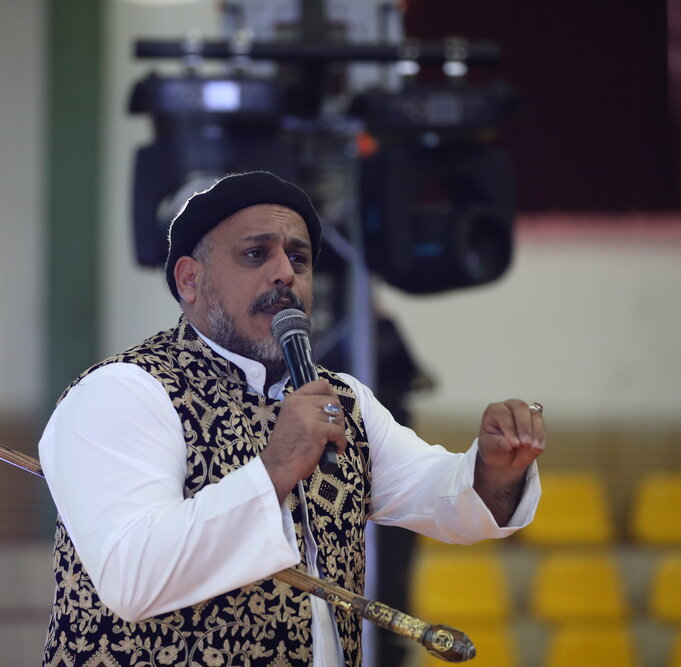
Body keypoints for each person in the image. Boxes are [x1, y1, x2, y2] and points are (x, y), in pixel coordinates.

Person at [38, 171, 545, 667]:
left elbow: (449, 500)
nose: (285, 273)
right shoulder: (124, 392)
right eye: (255, 254)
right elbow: (133, 579)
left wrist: (495, 471)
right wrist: (276, 468)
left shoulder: (342, 400)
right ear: (190, 280)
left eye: (298, 258)